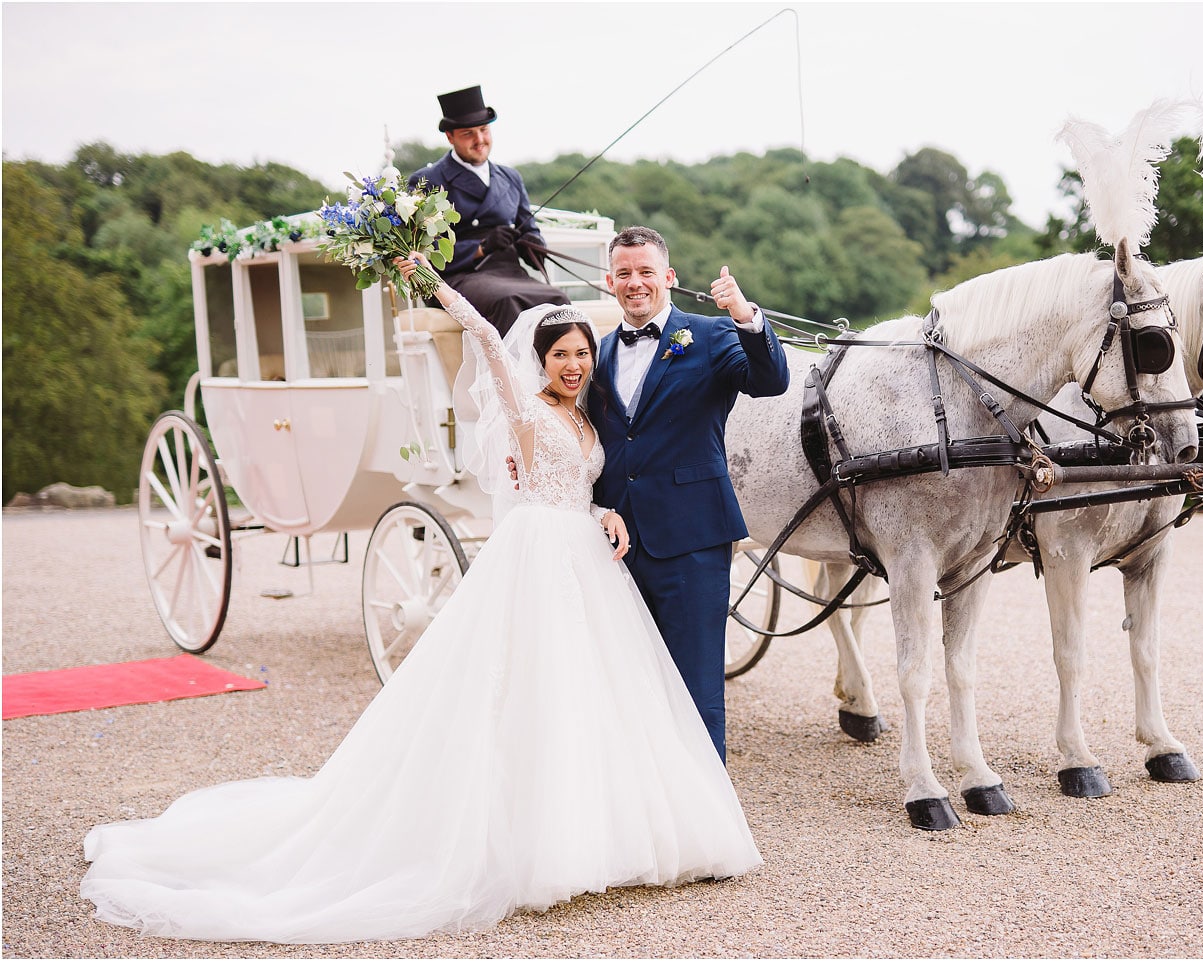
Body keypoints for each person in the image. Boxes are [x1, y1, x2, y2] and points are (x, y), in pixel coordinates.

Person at [79, 264, 762, 944]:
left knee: (599, 692)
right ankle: (531, 841)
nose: (576, 364)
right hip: (535, 555)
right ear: (541, 361)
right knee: (530, 688)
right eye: (561, 355)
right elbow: (487, 340)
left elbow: (591, 481)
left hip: (584, 553)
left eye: (583, 353)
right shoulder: (525, 409)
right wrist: (427, 276)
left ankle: (612, 829)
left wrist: (606, 509)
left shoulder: (587, 418)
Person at [587, 226, 789, 762]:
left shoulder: (712, 335)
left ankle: (708, 820)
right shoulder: (597, 355)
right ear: (610, 282)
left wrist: (745, 316)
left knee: (697, 688)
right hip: (614, 545)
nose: (635, 283)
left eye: (646, 272)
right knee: (626, 682)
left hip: (692, 540)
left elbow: (770, 381)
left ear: (669, 278)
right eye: (624, 274)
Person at [407, 84, 569, 336]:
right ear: (450, 137)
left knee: (557, 299)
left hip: (509, 271)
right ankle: (510, 375)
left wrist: (530, 244)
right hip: (460, 277)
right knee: (507, 300)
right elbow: (425, 251)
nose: (480, 140)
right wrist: (481, 247)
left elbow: (530, 228)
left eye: (484, 130)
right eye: (468, 134)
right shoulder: (429, 179)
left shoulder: (510, 177)